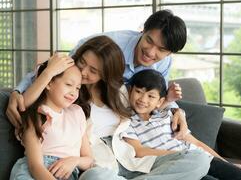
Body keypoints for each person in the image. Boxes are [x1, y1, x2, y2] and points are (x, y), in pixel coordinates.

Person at [8, 35, 209, 180]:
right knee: (99, 176)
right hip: (100, 166)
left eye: (93, 70)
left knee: (199, 160)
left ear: (105, 74)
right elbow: (36, 92)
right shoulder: (67, 96)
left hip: (130, 158)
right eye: (82, 62)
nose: (83, 71)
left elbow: (149, 102)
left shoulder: (120, 92)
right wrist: (17, 91)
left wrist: (176, 109)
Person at [7, 9, 186, 131]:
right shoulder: (103, 47)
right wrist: (17, 91)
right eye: (149, 41)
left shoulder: (164, 63)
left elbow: (158, 95)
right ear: (142, 31)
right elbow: (57, 71)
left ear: (170, 52)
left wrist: (176, 110)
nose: (151, 52)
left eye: (161, 50)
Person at [119, 69, 241, 180]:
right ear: (130, 91)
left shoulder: (168, 115)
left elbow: (196, 143)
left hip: (199, 156)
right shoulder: (127, 122)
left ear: (160, 101)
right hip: (176, 165)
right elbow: (139, 151)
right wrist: (180, 156)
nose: (143, 99)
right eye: (138, 92)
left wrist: (226, 163)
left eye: (151, 96)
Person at [10, 63, 94, 180]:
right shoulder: (37, 115)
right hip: (36, 173)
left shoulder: (77, 113)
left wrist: (74, 161)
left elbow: (89, 160)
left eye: (77, 88)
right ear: (49, 83)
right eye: (69, 84)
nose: (73, 92)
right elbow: (35, 166)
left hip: (67, 173)